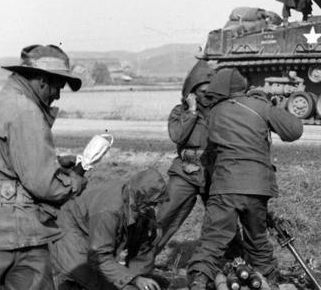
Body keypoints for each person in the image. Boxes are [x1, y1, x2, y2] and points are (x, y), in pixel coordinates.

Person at [0, 45, 88, 290]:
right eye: (58, 85)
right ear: (43, 80)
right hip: (22, 237)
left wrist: (54, 163)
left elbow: (3, 165)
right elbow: (45, 185)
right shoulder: (25, 111)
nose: (57, 95)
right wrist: (74, 180)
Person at [187, 68, 304, 290]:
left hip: (224, 186)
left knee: (212, 241)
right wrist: (271, 108)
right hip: (257, 186)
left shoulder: (214, 113)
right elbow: (294, 131)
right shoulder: (259, 106)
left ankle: (198, 282)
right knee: (258, 240)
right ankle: (270, 282)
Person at [50, 168, 168, 290]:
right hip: (72, 231)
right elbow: (99, 256)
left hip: (96, 229)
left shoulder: (142, 205)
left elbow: (142, 249)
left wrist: (140, 280)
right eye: (151, 203)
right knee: (96, 281)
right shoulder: (108, 211)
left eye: (156, 203)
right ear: (138, 195)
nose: (154, 208)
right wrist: (133, 279)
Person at [151, 60, 214, 256]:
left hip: (213, 172)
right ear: (192, 93)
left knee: (221, 220)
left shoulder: (218, 112)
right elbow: (177, 136)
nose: (207, 96)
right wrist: (192, 112)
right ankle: (140, 260)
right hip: (186, 171)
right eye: (202, 92)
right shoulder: (179, 113)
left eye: (210, 92)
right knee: (165, 216)